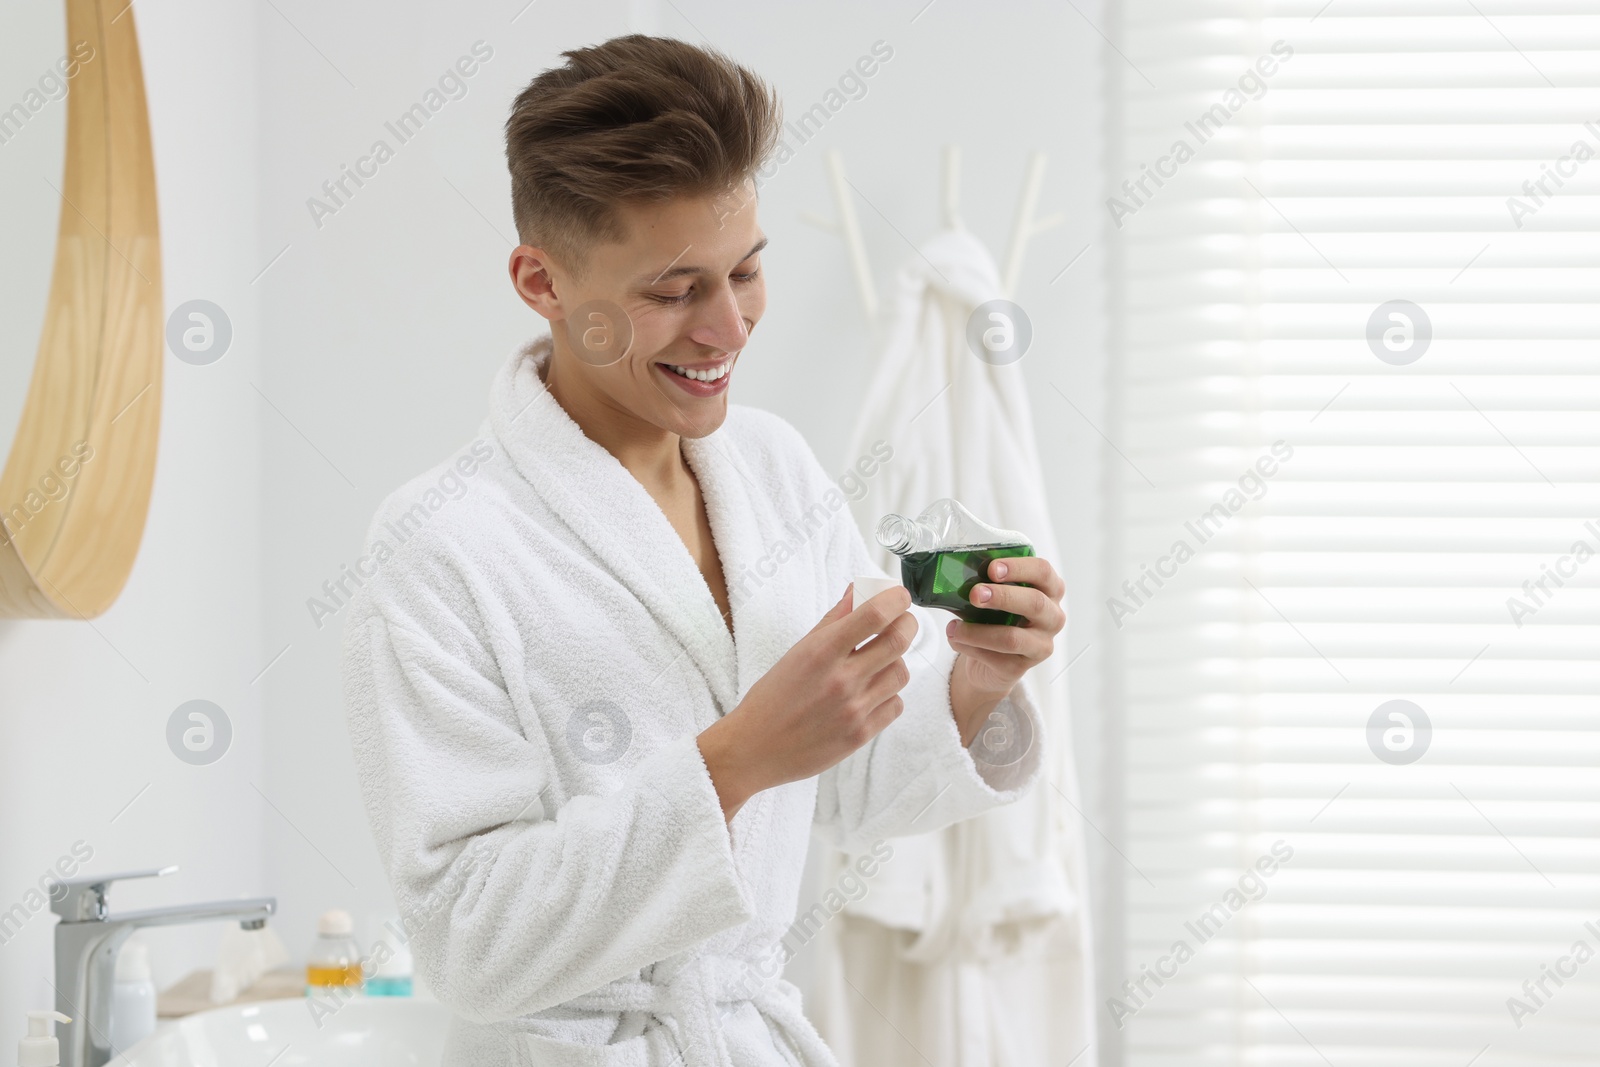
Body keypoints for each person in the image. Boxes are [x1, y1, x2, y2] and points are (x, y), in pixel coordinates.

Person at [341, 33, 1066, 1067]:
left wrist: (976, 687)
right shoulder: (439, 547)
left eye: (747, 269)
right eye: (674, 291)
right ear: (540, 280)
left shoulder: (774, 470)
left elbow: (849, 784)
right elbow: (468, 943)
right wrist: (731, 763)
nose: (728, 326)